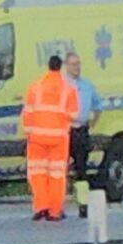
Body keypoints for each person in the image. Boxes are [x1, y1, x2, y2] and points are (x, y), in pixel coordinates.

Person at [22, 56, 80, 222]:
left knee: (37, 174)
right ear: (60, 67)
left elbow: (27, 113)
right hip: (58, 138)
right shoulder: (68, 90)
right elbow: (74, 115)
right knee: (56, 175)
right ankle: (55, 212)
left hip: (37, 138)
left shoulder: (35, 87)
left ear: (48, 66)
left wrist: (28, 134)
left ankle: (41, 207)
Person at [64, 53, 101, 219]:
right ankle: (58, 205)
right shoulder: (62, 86)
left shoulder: (87, 85)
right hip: (66, 130)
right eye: (73, 64)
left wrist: (92, 123)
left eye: (78, 64)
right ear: (66, 66)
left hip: (82, 130)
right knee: (62, 169)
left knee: (81, 170)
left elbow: (98, 105)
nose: (76, 68)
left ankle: (83, 204)